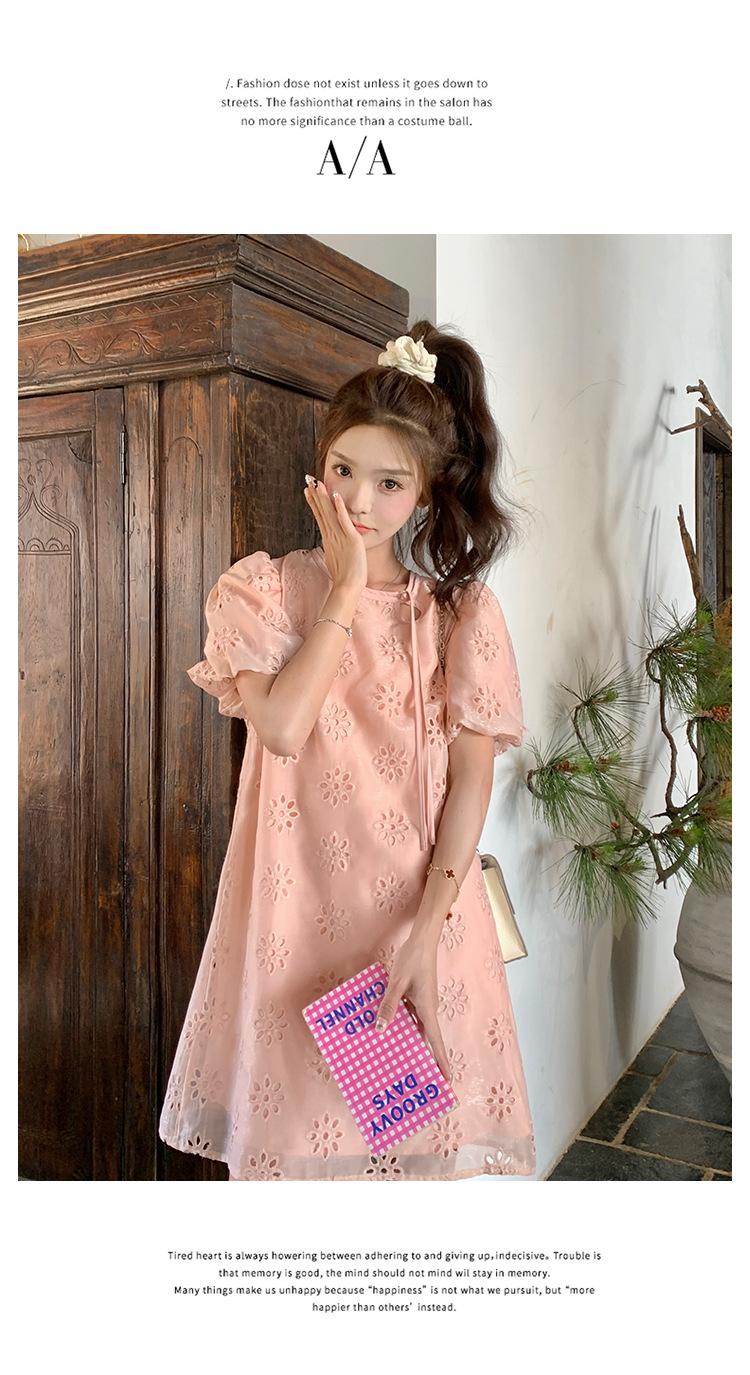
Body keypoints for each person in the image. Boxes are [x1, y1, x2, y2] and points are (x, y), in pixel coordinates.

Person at [158, 321, 536, 1180]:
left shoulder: (460, 615)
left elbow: (471, 785)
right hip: (296, 932)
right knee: (297, 1176)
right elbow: (283, 728)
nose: (359, 501)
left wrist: (425, 937)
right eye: (343, 470)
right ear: (320, 465)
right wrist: (343, 588)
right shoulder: (263, 590)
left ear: (427, 493)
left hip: (416, 926)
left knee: (409, 1181)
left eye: (390, 482)